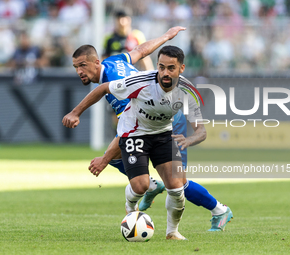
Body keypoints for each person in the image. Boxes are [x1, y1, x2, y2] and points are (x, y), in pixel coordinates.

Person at [63, 45, 233, 239]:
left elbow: (201, 131)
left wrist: (189, 139)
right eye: (161, 67)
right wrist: (76, 112)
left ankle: (173, 232)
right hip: (135, 134)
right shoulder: (140, 81)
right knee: (140, 185)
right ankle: (133, 204)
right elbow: (103, 88)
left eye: (171, 68)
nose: (165, 73)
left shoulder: (186, 92)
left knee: (177, 187)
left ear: (181, 69)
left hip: (164, 134)